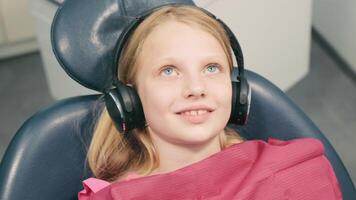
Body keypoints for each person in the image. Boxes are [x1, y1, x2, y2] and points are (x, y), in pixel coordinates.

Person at [78, 4, 342, 200]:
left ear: (236, 89)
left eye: (212, 68)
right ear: (130, 99)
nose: (196, 88)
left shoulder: (296, 168)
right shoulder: (115, 197)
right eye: (169, 70)